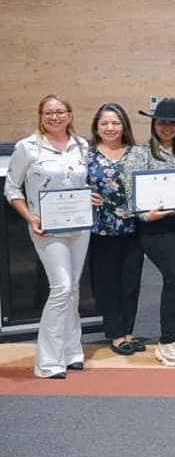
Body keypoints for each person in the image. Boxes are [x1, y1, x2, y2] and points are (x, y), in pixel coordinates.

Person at [5, 96, 91, 378]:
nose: (55, 117)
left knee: (74, 288)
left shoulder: (82, 146)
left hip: (79, 227)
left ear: (70, 115)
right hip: (46, 228)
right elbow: (12, 189)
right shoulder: (27, 147)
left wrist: (90, 197)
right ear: (41, 116)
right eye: (48, 112)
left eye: (60, 112)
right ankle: (48, 362)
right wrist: (31, 218)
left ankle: (72, 351)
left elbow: (83, 183)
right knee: (61, 288)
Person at [127, 98, 175, 366]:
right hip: (157, 224)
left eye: (173, 123)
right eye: (162, 122)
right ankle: (166, 340)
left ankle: (172, 332)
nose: (167, 127)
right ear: (154, 124)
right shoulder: (141, 153)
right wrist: (145, 215)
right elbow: (130, 189)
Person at [86, 103, 144, 357]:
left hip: (133, 228)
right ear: (97, 127)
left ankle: (128, 331)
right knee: (107, 282)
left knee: (131, 282)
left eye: (116, 123)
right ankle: (116, 333)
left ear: (124, 126)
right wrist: (83, 196)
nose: (110, 128)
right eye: (105, 123)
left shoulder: (137, 153)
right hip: (100, 230)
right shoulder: (86, 156)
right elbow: (72, 186)